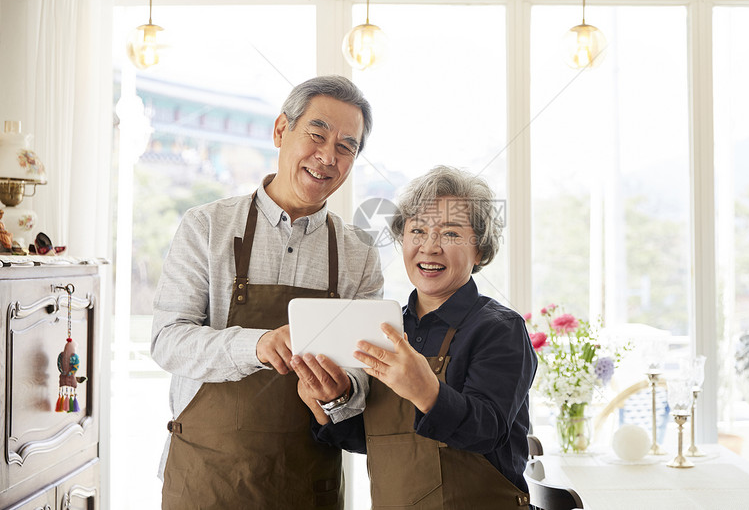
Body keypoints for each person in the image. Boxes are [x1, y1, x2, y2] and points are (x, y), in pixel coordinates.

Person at [150, 75, 384, 509]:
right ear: (281, 130)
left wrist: (340, 394)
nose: (327, 156)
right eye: (316, 134)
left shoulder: (360, 257)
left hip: (307, 486)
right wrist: (257, 345)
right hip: (205, 482)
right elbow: (167, 341)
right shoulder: (206, 227)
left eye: (346, 146)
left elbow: (366, 381)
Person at [292, 166, 537, 509]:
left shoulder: (499, 329)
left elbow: (488, 431)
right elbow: (375, 440)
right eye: (417, 230)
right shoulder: (384, 327)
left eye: (450, 234)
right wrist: (329, 402)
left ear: (480, 250)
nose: (430, 247)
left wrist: (427, 391)